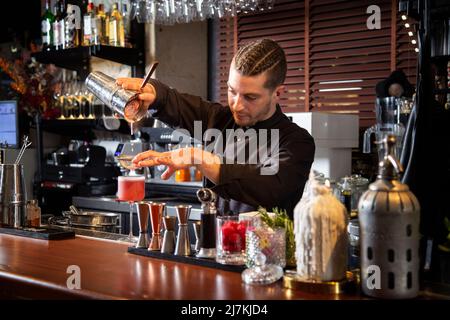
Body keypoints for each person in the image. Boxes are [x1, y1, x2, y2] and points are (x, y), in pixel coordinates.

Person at [116, 39, 315, 219]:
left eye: (250, 97)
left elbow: (270, 186)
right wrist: (153, 94)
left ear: (277, 93)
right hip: (216, 251)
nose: (237, 105)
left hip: (269, 255)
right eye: (232, 91)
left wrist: (200, 158)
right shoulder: (220, 119)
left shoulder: (296, 142)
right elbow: (173, 102)